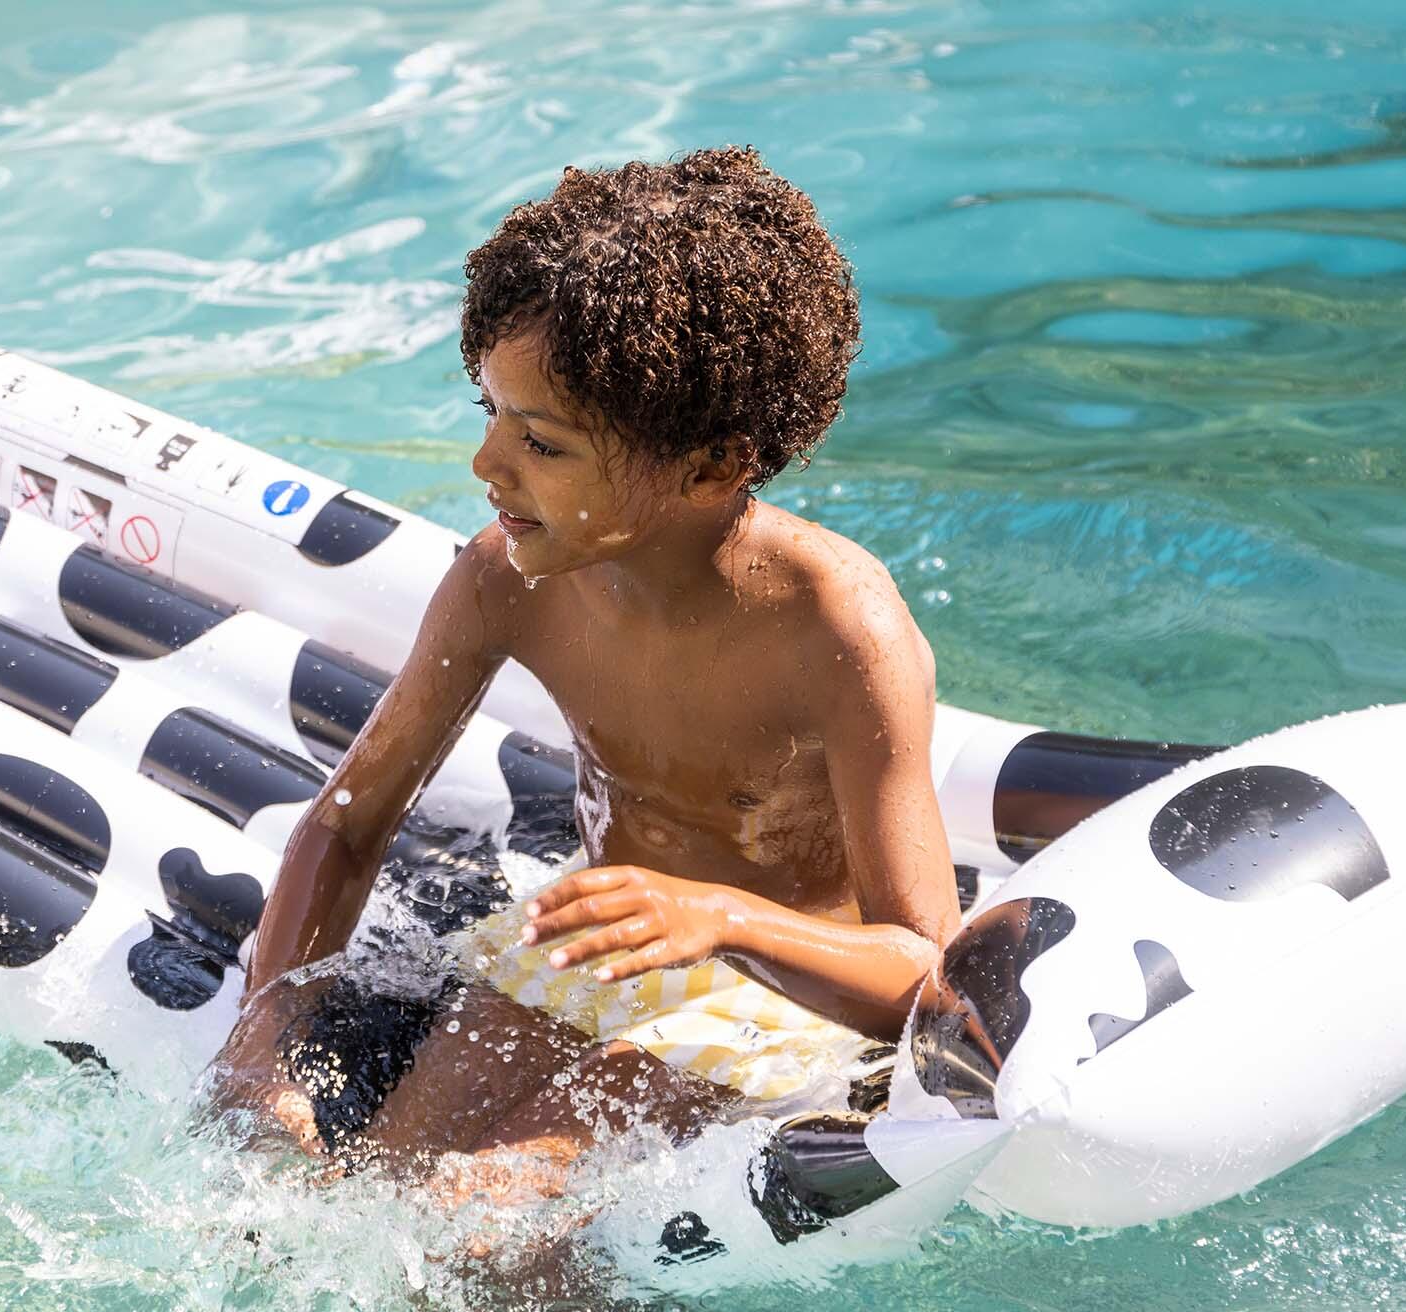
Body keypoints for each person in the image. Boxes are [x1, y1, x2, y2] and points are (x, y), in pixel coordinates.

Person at [213, 146, 959, 1206]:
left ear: (710, 467)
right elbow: (345, 821)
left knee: (480, 1235)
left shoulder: (838, 629)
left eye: (543, 444)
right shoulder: (504, 578)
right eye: (489, 413)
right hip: (592, 944)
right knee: (363, 1197)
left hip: (779, 982)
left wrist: (725, 918)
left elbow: (925, 973)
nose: (485, 465)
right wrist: (263, 1040)